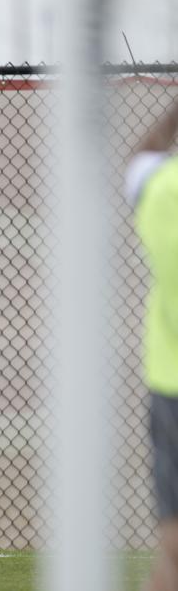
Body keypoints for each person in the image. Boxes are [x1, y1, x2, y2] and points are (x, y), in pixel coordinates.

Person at [125, 100, 178, 591]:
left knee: (173, 550)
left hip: (170, 386)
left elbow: (142, 157)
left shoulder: (162, 186)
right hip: (171, 387)